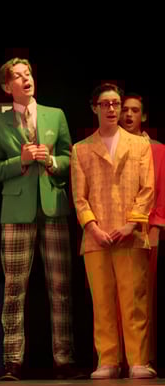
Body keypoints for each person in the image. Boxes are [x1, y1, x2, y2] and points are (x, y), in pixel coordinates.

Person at [0, 58, 78, 380]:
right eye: (18, 76)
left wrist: (50, 160)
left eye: (28, 74)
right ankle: (13, 361)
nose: (26, 79)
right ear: (6, 86)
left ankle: (63, 359)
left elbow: (69, 159)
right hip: (16, 212)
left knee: (61, 287)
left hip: (53, 207)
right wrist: (19, 161)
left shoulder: (55, 115)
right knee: (14, 288)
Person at [72, 83, 156, 379]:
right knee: (103, 302)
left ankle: (138, 360)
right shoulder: (81, 149)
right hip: (96, 238)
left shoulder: (139, 145)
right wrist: (92, 227)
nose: (111, 109)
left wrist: (131, 223)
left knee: (134, 301)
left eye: (116, 104)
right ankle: (107, 359)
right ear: (94, 107)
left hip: (130, 235)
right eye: (105, 104)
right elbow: (79, 197)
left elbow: (148, 189)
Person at [120, 93, 164, 369]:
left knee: (143, 295)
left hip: (146, 229)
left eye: (134, 110)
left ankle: (143, 358)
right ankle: (116, 359)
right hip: (113, 231)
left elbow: (160, 191)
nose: (128, 115)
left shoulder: (158, 149)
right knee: (114, 295)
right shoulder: (108, 144)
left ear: (143, 116)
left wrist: (157, 226)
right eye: (125, 109)